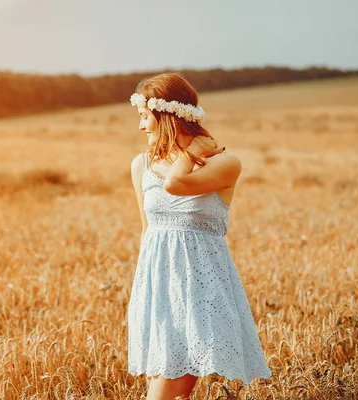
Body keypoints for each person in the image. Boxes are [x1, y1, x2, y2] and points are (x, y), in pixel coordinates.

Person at [127, 72, 271, 399]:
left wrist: (191, 151)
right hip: (158, 288)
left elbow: (175, 185)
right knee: (171, 394)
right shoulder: (140, 166)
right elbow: (147, 230)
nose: (140, 126)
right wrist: (143, 295)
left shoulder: (225, 164)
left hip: (199, 290)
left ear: (167, 117)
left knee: (163, 394)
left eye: (144, 117)